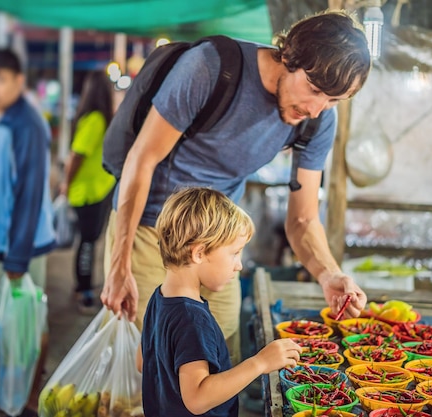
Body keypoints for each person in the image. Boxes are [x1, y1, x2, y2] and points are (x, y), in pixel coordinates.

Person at [101, 9, 371, 364]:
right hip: (153, 233)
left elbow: (303, 220)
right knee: (149, 367)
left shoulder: (317, 121)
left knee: (219, 358)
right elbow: (142, 160)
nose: (317, 109)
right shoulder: (210, 68)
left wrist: (329, 274)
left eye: (333, 100)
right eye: (315, 89)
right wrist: (119, 265)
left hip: (220, 245)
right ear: (289, 56)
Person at [139, 187, 302, 417]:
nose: (239, 265)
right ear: (198, 253)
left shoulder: (159, 298)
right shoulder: (192, 319)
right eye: (234, 253)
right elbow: (197, 399)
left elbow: (143, 362)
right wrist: (260, 363)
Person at [0, 48, 55, 416]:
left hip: (21, 248)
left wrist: (16, 256)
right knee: (6, 325)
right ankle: (4, 390)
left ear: (19, 81)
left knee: (28, 324)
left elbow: (30, 193)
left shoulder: (27, 125)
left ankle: (31, 396)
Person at [59, 71, 116, 314]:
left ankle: (82, 286)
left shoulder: (96, 118)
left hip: (95, 189)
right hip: (88, 191)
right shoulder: (96, 119)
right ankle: (83, 289)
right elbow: (76, 155)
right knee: (87, 242)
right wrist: (66, 184)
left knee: (88, 241)